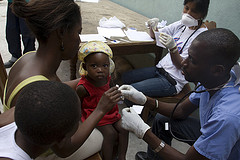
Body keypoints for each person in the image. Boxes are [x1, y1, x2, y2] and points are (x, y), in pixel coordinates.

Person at [2, 0, 105, 159]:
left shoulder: (27, 59)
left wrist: (86, 81)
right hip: (43, 153)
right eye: (78, 32)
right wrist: (101, 109)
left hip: (31, 138)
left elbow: (53, 89)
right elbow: (63, 149)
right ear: (61, 32)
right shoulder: (36, 87)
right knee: (100, 137)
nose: (79, 40)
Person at [119, 28, 240, 160]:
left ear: (217, 70)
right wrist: (144, 100)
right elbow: (181, 111)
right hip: (212, 131)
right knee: (163, 123)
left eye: (192, 60)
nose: (183, 62)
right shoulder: (217, 80)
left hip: (227, 153)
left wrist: (143, 131)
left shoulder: (226, 117)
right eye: (188, 55)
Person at [0, 81, 122, 160]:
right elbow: (65, 151)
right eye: (78, 123)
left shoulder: (11, 117)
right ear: (62, 140)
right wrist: (100, 110)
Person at [121, 0, 210, 103]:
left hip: (171, 81)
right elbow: (156, 36)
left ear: (202, 14)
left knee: (129, 93)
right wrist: (152, 27)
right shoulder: (182, 25)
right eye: (186, 8)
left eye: (193, 11)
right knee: (126, 77)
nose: (188, 13)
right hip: (159, 70)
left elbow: (181, 66)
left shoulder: (200, 37)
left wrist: (173, 49)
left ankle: (143, 114)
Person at [76, 41, 129, 160]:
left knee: (125, 128)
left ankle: (122, 157)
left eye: (105, 66)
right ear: (85, 67)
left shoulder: (108, 79)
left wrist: (119, 94)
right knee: (110, 134)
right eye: (94, 66)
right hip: (95, 115)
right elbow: (77, 105)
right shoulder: (83, 87)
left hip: (111, 113)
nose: (100, 70)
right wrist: (80, 122)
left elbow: (113, 90)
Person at [4, 0, 35, 68]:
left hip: (26, 3)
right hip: (12, 2)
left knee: (26, 30)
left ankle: (29, 57)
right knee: (11, 30)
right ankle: (15, 56)